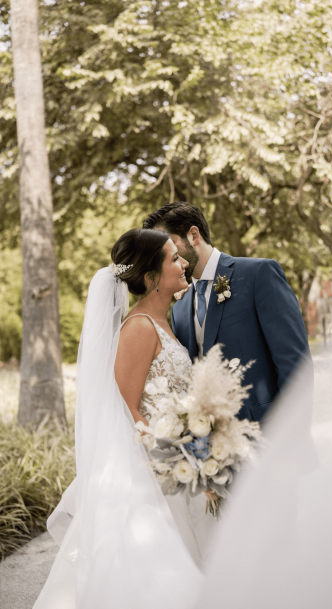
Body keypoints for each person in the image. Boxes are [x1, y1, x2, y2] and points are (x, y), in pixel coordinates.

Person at [33, 228, 207, 609]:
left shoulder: (166, 323)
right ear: (151, 279)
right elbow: (128, 407)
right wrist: (171, 457)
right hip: (152, 472)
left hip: (178, 464)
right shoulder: (139, 328)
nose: (182, 263)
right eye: (173, 259)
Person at [143, 202, 316, 470]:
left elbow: (296, 365)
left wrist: (291, 439)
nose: (164, 255)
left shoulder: (258, 275)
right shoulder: (178, 310)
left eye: (169, 245)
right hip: (212, 458)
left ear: (193, 235)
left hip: (270, 446)